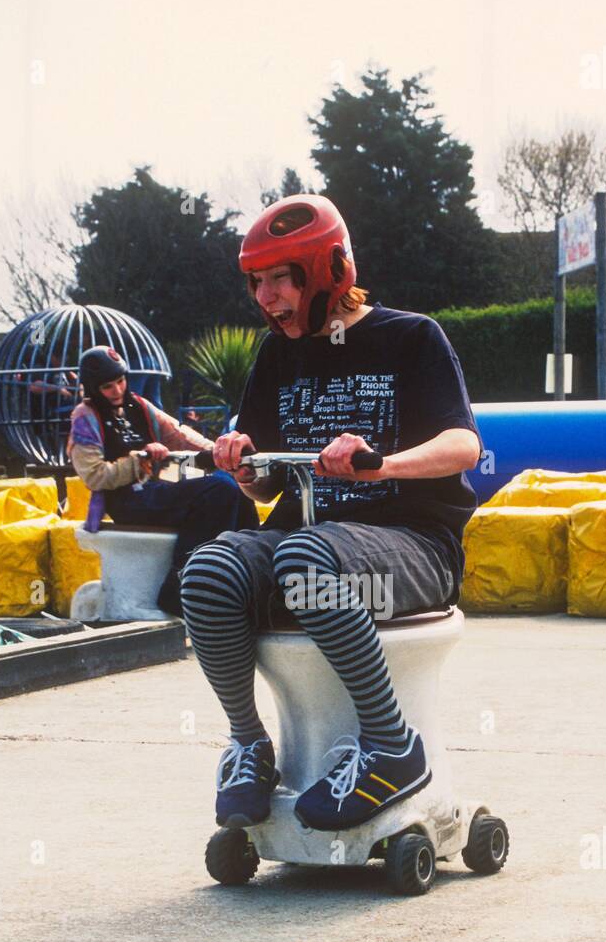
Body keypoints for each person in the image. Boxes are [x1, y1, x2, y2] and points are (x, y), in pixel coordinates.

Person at [180, 195, 482, 832]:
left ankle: (393, 744)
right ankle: (249, 744)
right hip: (311, 544)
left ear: (327, 269)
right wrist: (243, 465)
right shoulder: (276, 355)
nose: (265, 298)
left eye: (279, 279)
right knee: (208, 568)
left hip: (414, 544)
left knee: (304, 557)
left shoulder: (411, 336)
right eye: (256, 282)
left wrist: (381, 463)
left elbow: (464, 446)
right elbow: (265, 490)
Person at [67, 346, 257, 616]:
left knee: (234, 489)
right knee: (216, 491)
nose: (117, 390)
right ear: (93, 388)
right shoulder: (84, 417)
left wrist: (223, 454)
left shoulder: (138, 405)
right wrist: (140, 458)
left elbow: (180, 435)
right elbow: (95, 476)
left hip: (152, 491)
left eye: (120, 381)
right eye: (108, 386)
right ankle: (179, 588)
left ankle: (247, 578)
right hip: (125, 500)